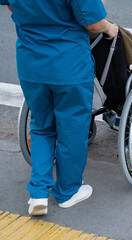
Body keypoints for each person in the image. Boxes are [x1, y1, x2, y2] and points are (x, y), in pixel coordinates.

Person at [0, 0, 118, 215]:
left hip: (31, 64)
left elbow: (11, 6)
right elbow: (93, 23)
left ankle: (38, 193)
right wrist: (110, 28)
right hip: (68, 65)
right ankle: (68, 192)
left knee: (41, 126)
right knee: (72, 131)